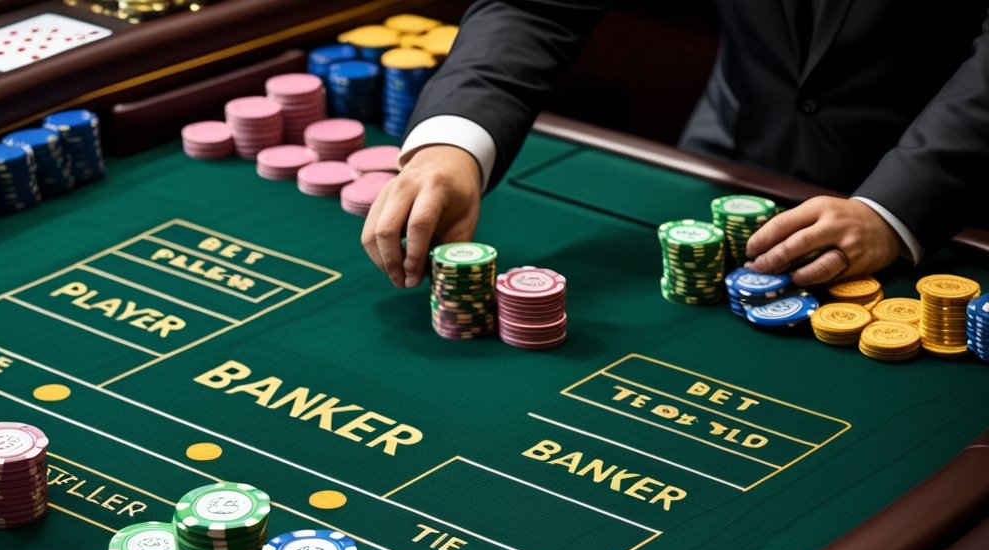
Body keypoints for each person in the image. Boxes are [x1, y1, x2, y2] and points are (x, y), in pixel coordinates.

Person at [362, 1, 989, 290]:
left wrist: (894, 209)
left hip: (955, 209)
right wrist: (454, 145)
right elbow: (537, 6)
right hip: (740, 150)